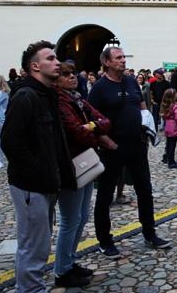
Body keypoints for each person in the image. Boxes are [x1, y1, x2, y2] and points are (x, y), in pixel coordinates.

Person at [0, 41, 77, 293]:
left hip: (45, 182)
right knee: (33, 245)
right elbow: (11, 143)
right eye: (51, 58)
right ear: (35, 66)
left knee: (40, 243)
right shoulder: (26, 96)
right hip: (31, 184)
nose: (58, 63)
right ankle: (30, 290)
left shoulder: (47, 94)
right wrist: (39, 171)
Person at [88, 46, 171, 259]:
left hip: (136, 145)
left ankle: (149, 233)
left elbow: (143, 109)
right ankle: (105, 241)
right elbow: (89, 119)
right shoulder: (99, 88)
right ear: (106, 62)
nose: (123, 61)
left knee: (145, 191)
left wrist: (145, 135)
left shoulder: (132, 82)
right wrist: (108, 143)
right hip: (113, 147)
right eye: (118, 58)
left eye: (124, 57)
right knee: (105, 195)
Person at [53, 61, 112, 287]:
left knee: (82, 217)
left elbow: (105, 121)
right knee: (70, 219)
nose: (71, 77)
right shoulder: (59, 100)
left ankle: (69, 261)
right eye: (65, 74)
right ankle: (62, 271)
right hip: (71, 164)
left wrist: (93, 127)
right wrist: (92, 130)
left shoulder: (77, 98)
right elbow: (76, 133)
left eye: (73, 74)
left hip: (85, 161)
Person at [160, 89, 177, 169]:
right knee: (172, 145)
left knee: (168, 143)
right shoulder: (175, 107)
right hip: (174, 127)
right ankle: (171, 161)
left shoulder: (165, 106)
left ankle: (167, 158)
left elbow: (163, 117)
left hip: (168, 126)